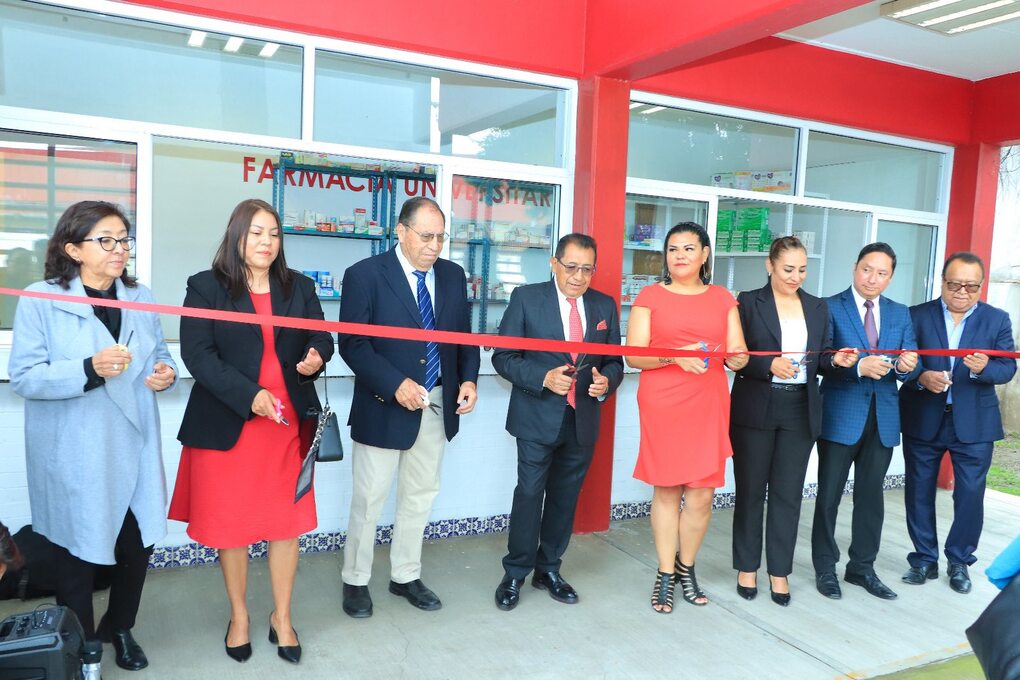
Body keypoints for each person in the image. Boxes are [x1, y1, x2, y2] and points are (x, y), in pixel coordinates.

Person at [8, 200, 177, 674]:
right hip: (75, 448)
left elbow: (163, 354)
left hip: (133, 442)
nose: (119, 249)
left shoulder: (140, 298)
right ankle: (81, 642)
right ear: (72, 249)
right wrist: (88, 368)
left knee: (137, 542)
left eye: (123, 240)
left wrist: (166, 372)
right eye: (106, 240)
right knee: (75, 549)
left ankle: (120, 628)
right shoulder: (42, 297)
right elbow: (23, 376)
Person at [169, 198, 334, 665]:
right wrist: (250, 397)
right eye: (257, 232)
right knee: (233, 527)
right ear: (237, 235)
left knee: (287, 526)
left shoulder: (297, 286)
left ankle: (282, 617)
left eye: (274, 233)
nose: (266, 242)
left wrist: (317, 355)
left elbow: (322, 334)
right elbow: (198, 356)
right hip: (231, 424)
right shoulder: (205, 287)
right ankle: (239, 615)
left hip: (285, 427)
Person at [338, 196, 480, 618]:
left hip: (436, 403)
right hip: (384, 403)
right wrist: (394, 383)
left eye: (440, 237)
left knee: (420, 495)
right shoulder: (365, 275)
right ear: (400, 231)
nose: (434, 246)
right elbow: (353, 344)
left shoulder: (453, 277)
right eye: (425, 236)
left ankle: (405, 574)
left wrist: (469, 377)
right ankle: (356, 580)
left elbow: (462, 338)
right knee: (370, 498)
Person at [490, 234, 624, 611]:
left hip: (581, 420)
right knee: (530, 495)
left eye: (587, 269)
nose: (579, 277)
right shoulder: (527, 299)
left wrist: (606, 381)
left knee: (565, 500)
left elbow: (615, 361)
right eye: (571, 267)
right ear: (554, 263)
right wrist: (542, 378)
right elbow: (503, 357)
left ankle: (548, 569)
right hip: (536, 417)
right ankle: (515, 571)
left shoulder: (604, 306)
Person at [626, 222, 748, 613]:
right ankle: (664, 573)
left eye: (689, 248)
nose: (680, 255)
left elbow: (738, 352)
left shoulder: (723, 297)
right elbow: (633, 356)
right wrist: (675, 356)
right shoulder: (649, 295)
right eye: (673, 248)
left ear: (705, 254)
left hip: (708, 401)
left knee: (701, 494)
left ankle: (686, 567)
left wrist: (740, 359)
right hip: (663, 401)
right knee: (666, 489)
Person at [730, 236, 858, 607]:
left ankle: (779, 571)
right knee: (751, 491)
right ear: (770, 265)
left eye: (802, 269)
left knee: (788, 494)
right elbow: (733, 355)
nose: (795, 276)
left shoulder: (817, 307)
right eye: (788, 269)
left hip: (800, 408)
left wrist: (836, 361)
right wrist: (766, 364)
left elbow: (820, 358)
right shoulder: (747, 303)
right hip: (755, 405)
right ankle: (747, 566)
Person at [899, 252, 1017, 594]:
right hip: (924, 416)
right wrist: (922, 378)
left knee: (970, 495)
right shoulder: (917, 316)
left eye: (970, 286)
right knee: (918, 491)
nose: (962, 292)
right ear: (942, 282)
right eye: (955, 284)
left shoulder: (997, 320)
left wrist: (982, 369)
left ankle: (959, 560)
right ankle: (923, 559)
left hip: (975, 424)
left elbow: (1007, 368)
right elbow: (903, 364)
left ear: (980, 286)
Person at [811, 242, 920, 601]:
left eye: (882, 273)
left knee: (871, 499)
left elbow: (912, 361)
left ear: (891, 276)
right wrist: (857, 366)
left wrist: (908, 367)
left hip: (883, 418)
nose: (873, 278)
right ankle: (825, 568)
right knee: (828, 496)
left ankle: (862, 568)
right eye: (867, 269)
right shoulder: (828, 307)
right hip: (841, 415)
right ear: (855, 268)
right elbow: (820, 359)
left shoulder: (900, 313)